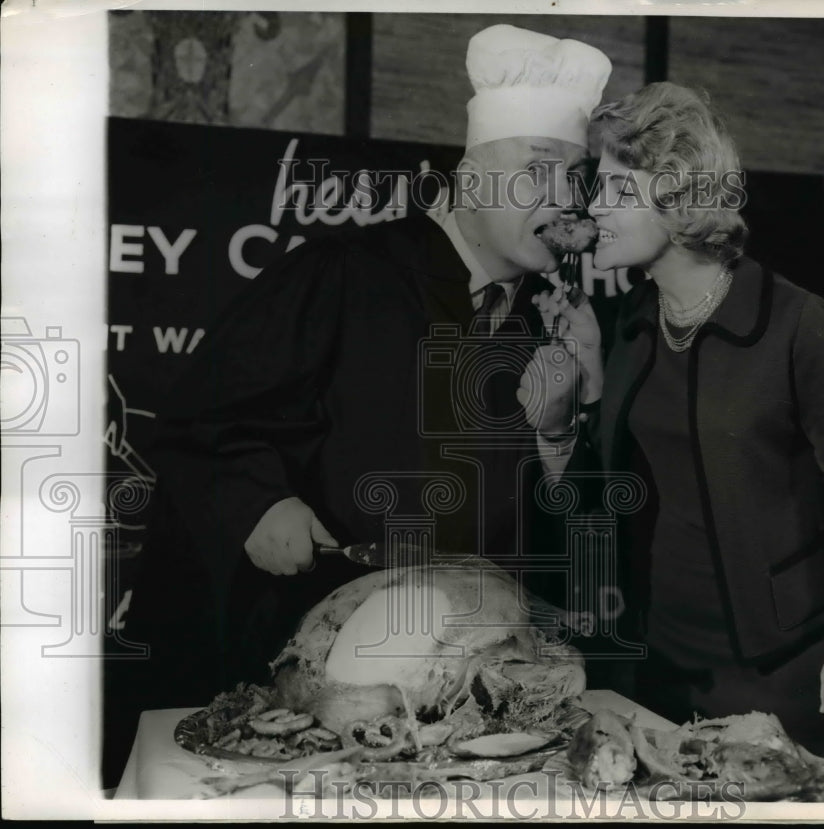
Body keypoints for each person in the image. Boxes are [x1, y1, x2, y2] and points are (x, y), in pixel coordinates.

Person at [107, 24, 611, 783]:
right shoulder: (345, 272)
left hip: (440, 712)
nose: (565, 199)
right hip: (292, 689)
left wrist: (562, 432)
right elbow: (198, 419)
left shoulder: (545, 328)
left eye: (576, 178)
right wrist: (255, 503)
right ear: (472, 177)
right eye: (539, 170)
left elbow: (546, 540)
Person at [519, 81, 824, 758]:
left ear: (675, 199)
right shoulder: (631, 323)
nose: (593, 208)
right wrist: (560, 425)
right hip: (662, 661)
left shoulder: (798, 325)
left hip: (784, 668)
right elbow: (605, 503)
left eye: (613, 191)